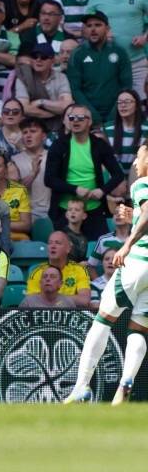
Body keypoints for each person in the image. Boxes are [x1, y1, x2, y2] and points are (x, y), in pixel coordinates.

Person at [67, 145, 148, 404]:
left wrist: (127, 244)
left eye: (139, 157)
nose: (135, 163)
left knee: (102, 320)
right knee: (139, 328)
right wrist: (134, 214)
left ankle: (81, 386)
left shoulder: (142, 183)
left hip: (137, 262)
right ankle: (126, 383)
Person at [44, 105, 124, 240]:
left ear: (89, 121)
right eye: (72, 118)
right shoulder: (59, 145)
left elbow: (118, 174)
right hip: (66, 210)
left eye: (81, 118)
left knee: (100, 248)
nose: (75, 121)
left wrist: (102, 191)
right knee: (65, 249)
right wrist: (75, 189)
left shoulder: (99, 144)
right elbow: (49, 179)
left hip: (94, 209)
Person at [67, 11, 131, 128]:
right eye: (89, 26)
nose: (93, 29)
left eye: (97, 25)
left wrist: (113, 116)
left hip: (116, 116)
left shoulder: (119, 51)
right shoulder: (77, 54)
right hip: (87, 118)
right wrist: (93, 116)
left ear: (107, 28)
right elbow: (75, 89)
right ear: (84, 30)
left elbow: (126, 86)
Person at [87, 0, 148, 100]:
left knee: (143, 103)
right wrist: (101, 36)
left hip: (136, 63)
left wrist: (145, 37)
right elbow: (86, 27)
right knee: (113, 103)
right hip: (107, 64)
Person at [15, 43, 73, 131]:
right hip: (30, 126)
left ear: (53, 61)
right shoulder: (24, 77)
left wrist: (41, 102)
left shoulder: (61, 77)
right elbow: (24, 108)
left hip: (57, 126)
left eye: (44, 57)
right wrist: (52, 114)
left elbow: (66, 106)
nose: (38, 60)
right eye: (35, 56)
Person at [26, 230, 90, 308]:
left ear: (68, 249)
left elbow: (84, 300)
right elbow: (31, 302)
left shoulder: (79, 270)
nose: (53, 246)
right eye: (50, 243)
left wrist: (51, 299)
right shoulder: (37, 272)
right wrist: (66, 300)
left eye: (58, 243)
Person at [10, 117, 50, 221]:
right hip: (27, 215)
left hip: (52, 212)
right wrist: (32, 174)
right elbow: (13, 192)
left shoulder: (54, 157)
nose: (28, 135)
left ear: (44, 136)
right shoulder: (14, 160)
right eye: (25, 132)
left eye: (33, 131)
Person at [0, 152, 32, 241]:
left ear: (6, 169)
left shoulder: (20, 190)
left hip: (16, 239)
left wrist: (1, 224)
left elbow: (26, 225)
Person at [104, 89, 148, 176]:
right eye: (119, 102)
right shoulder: (107, 129)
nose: (123, 105)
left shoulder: (146, 129)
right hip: (114, 178)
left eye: (127, 102)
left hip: (139, 177)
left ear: (136, 106)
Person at [87, 204, 130, 279]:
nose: (118, 215)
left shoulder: (138, 240)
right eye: (115, 213)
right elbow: (90, 266)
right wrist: (100, 283)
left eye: (122, 213)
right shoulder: (103, 240)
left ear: (131, 218)